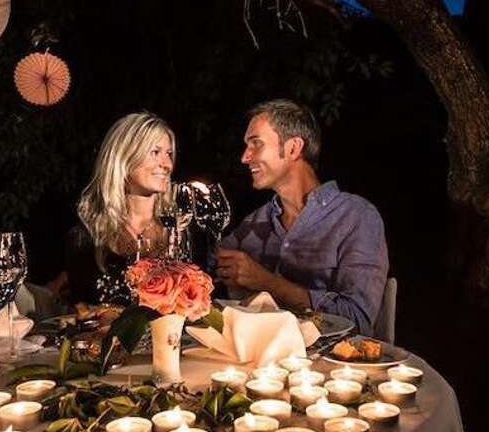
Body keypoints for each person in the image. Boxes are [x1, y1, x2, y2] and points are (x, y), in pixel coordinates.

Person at [216, 99, 389, 334]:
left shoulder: (356, 217)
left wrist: (268, 283)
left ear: (293, 148)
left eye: (256, 143)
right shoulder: (255, 223)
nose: (245, 157)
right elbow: (201, 273)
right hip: (263, 363)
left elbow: (357, 319)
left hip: (332, 365)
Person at [63, 111, 177, 304]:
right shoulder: (86, 237)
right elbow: (81, 314)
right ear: (124, 157)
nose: (167, 164)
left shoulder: (182, 229)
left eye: (169, 154)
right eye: (155, 152)